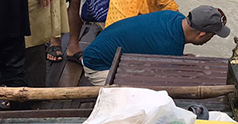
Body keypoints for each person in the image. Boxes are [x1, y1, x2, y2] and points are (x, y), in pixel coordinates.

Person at [82, 6, 229, 85]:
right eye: (213, 35)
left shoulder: (174, 16)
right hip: (99, 68)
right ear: (202, 34)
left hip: (100, 49)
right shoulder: (168, 47)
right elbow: (163, 81)